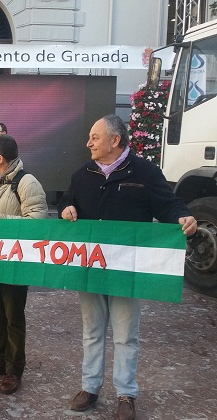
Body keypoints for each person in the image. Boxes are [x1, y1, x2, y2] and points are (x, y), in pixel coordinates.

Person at [58, 114, 197, 420]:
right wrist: (66, 208)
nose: (88, 143)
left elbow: (168, 204)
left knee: (125, 334)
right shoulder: (83, 174)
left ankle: (125, 394)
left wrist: (183, 216)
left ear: (115, 140)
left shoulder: (145, 172)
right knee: (92, 331)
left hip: (126, 270)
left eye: (95, 137)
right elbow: (68, 201)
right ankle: (89, 387)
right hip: (91, 269)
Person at [0, 134, 48, 395]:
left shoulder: (27, 183)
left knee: (14, 316)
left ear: (0, 158)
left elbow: (38, 223)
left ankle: (14, 369)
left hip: (15, 263)